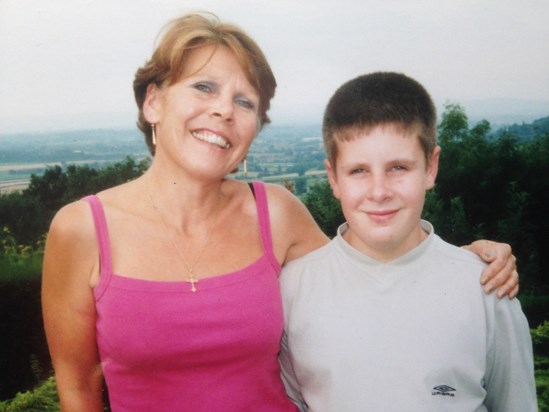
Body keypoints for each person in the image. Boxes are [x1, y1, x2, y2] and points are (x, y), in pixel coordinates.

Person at [41, 13, 519, 411]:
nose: (224, 111)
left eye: (244, 101)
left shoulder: (276, 213)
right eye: (204, 87)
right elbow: (79, 386)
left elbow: (364, 276)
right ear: (153, 102)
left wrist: (466, 262)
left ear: (254, 128)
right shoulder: (81, 230)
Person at [279, 72, 537, 411]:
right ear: (333, 179)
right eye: (358, 171)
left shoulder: (487, 287)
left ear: (430, 168)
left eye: (398, 167)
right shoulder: (292, 289)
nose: (379, 191)